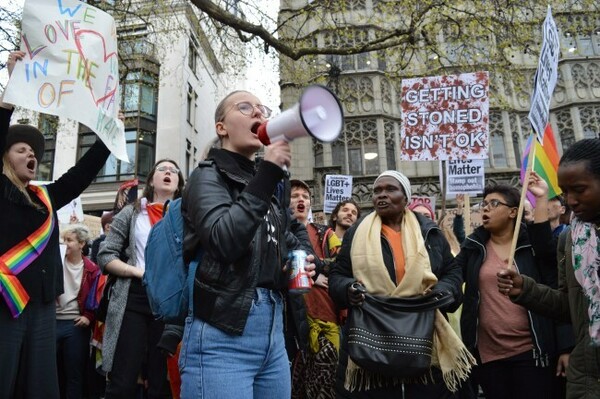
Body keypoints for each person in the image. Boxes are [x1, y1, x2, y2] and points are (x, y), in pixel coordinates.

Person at [179, 90, 315, 399]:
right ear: (221, 127)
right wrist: (268, 172)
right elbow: (224, 241)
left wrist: (305, 258)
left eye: (261, 109)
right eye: (244, 107)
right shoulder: (206, 177)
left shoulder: (271, 184)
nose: (258, 113)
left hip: (273, 332)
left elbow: (287, 236)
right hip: (222, 333)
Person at [0, 50, 111, 399]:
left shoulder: (44, 197)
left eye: (34, 153)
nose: (32, 155)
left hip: (44, 306)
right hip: (7, 301)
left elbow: (78, 177)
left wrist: (108, 136)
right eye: (21, 150)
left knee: (41, 387)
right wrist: (11, 87)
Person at [329, 170, 472, 398]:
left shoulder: (429, 232)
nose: (381, 196)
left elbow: (452, 271)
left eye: (390, 190)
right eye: (377, 191)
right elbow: (338, 275)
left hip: (423, 334)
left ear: (405, 197)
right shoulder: (357, 232)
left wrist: (445, 290)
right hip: (372, 337)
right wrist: (348, 289)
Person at [497, 138, 600, 399]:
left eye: (579, 189)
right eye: (565, 192)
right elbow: (571, 308)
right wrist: (526, 290)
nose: (571, 201)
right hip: (589, 379)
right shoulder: (571, 241)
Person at [457, 177, 561, 399]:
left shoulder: (531, 245)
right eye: (483, 204)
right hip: (489, 355)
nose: (485, 208)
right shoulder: (473, 247)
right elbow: (451, 276)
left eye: (494, 203)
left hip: (531, 353)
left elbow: (555, 293)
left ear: (513, 212)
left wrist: (541, 197)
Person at [97, 159, 184, 398]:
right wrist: (138, 272)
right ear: (152, 180)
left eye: (174, 171)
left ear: (179, 183)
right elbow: (105, 255)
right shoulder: (132, 212)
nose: (168, 172)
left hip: (171, 302)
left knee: (161, 381)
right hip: (133, 297)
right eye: (162, 169)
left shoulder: (187, 215)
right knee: (123, 379)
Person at [289, 180, 361, 399]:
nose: (301, 199)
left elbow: (341, 266)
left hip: (324, 318)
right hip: (290, 323)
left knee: (325, 386)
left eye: (305, 196)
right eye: (294, 196)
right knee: (296, 387)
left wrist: (319, 269)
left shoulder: (324, 233)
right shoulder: (275, 231)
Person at [56, 224, 101, 399]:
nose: (64, 243)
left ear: (81, 244)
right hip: (51, 322)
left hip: (75, 325)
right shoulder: (56, 261)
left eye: (69, 240)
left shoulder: (92, 269)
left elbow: (94, 298)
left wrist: (88, 317)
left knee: (74, 374)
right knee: (50, 373)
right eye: (63, 240)